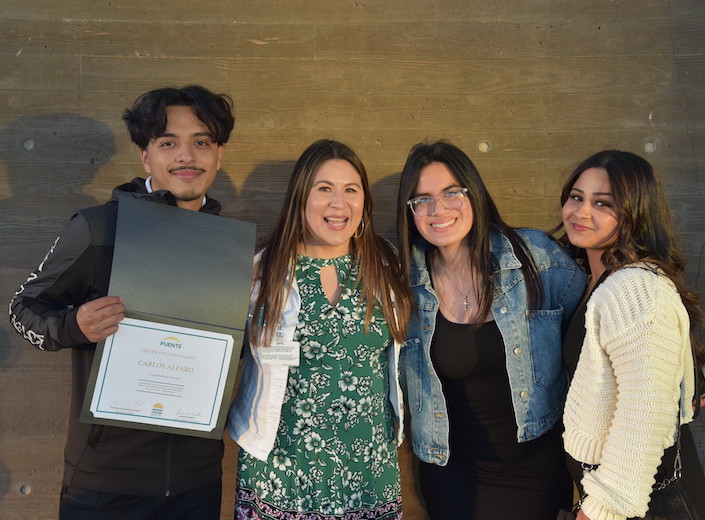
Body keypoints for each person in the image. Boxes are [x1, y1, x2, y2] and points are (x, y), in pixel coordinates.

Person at [8, 85, 235, 520]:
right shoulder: (98, 228)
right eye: (168, 143)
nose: (186, 156)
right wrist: (74, 325)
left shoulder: (228, 247)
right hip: (105, 485)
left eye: (201, 142)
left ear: (218, 155)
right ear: (146, 156)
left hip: (197, 482)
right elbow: (23, 308)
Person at [395, 140, 586, 519]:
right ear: (411, 211)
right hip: (452, 477)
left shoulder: (536, 259)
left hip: (538, 474)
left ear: (474, 193)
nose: (439, 209)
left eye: (452, 193)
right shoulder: (403, 283)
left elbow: (595, 333)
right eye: (423, 200)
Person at [227, 139, 412, 520]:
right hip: (282, 471)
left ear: (364, 203)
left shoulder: (387, 264)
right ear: (300, 197)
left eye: (350, 190)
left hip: (369, 470)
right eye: (324, 189)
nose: (338, 203)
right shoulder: (261, 272)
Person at [557, 150, 705, 519]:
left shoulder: (634, 288)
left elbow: (645, 412)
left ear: (635, 213)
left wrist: (602, 509)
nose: (582, 212)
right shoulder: (596, 280)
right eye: (576, 197)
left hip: (644, 502)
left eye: (602, 203)